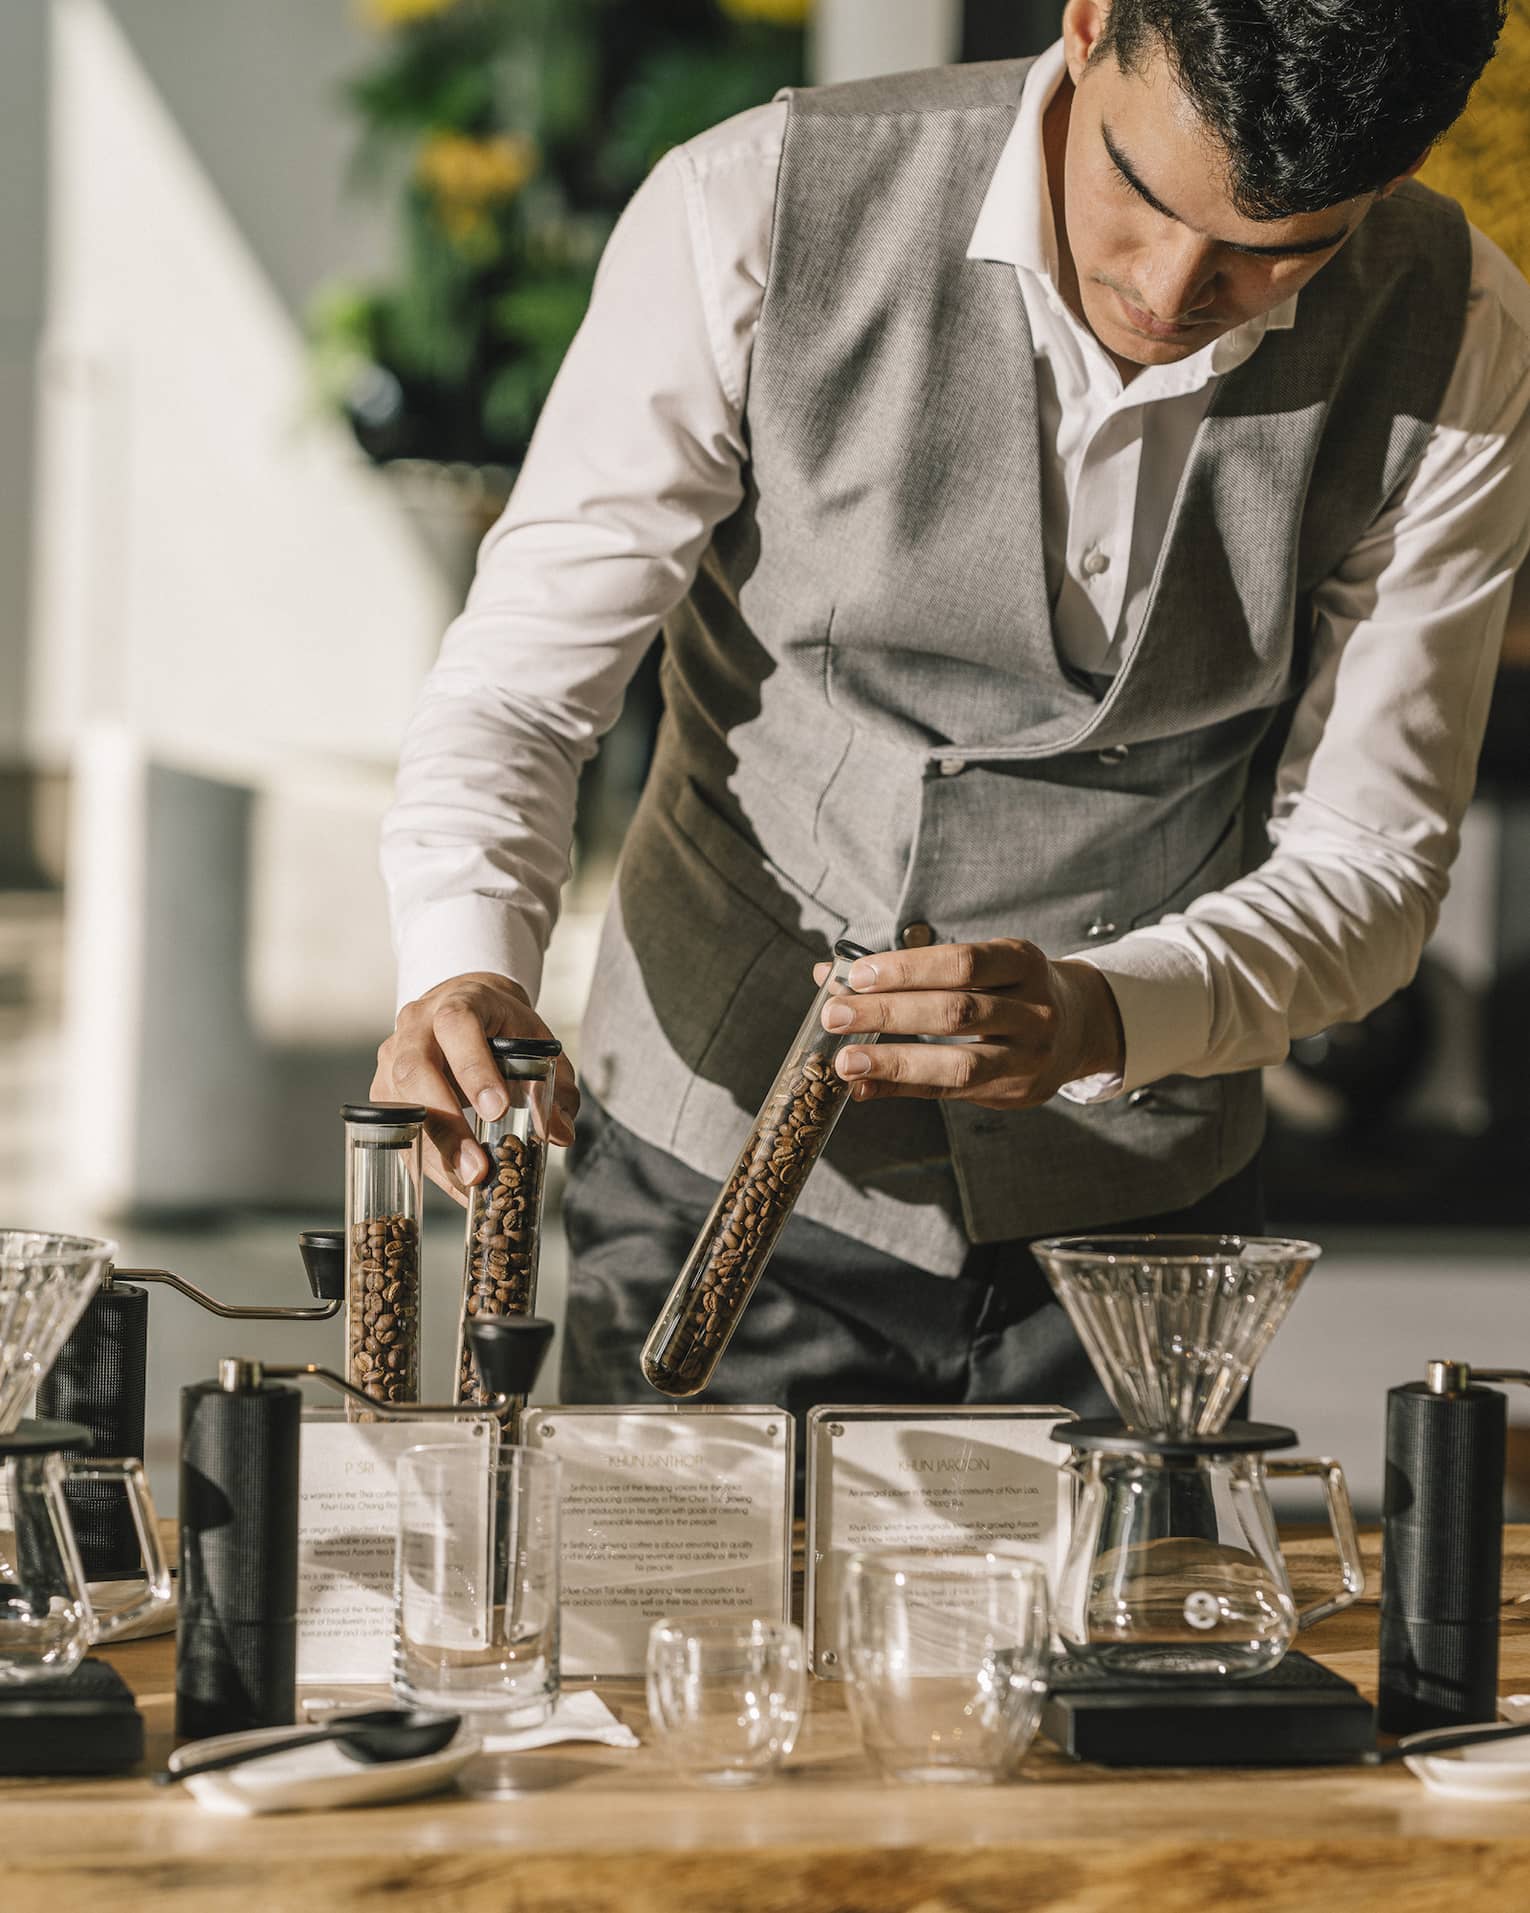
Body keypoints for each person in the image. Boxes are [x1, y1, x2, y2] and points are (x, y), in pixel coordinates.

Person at [373, 0, 1530, 1423]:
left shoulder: (1460, 330)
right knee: (674, 1646)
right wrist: (462, 957)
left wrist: (1106, 1014)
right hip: (716, 1162)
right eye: (1141, 190)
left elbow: (1369, 857)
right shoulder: (747, 208)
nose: (1169, 294)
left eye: (1274, 253)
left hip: (1136, 1232)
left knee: (1126, 1641)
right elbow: (521, 682)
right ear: (1091, 20)